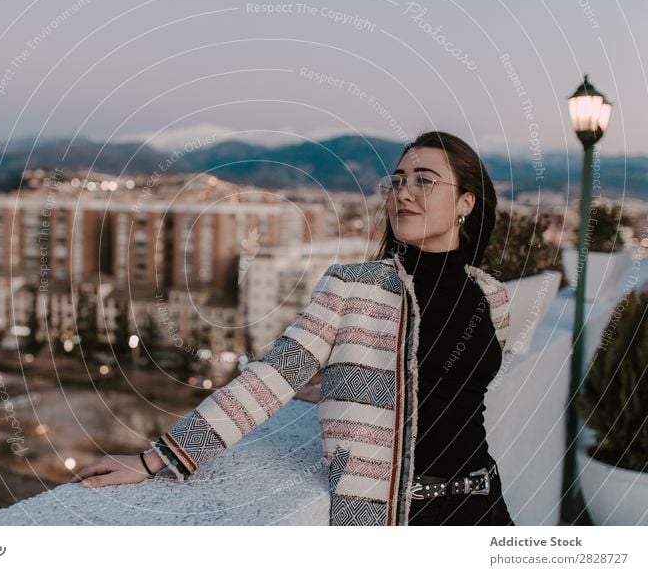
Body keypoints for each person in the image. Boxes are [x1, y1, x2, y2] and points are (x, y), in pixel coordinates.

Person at [72, 131, 515, 526]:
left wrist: (356, 386)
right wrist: (158, 459)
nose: (404, 193)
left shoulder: (491, 298)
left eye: (424, 179)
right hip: (399, 519)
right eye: (397, 181)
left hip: (484, 505)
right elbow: (271, 377)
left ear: (466, 202)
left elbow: (448, 387)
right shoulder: (353, 286)